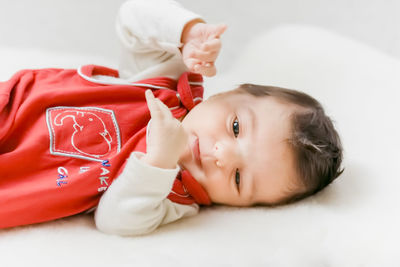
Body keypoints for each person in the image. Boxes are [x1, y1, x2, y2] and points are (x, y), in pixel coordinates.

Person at [0, 0, 343, 235]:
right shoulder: (166, 83)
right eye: (236, 128)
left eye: (239, 178)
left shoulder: (175, 197)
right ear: (224, 95)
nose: (221, 157)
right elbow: (132, 17)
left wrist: (158, 162)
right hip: (14, 107)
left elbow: (116, 220)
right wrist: (187, 34)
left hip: (14, 185)